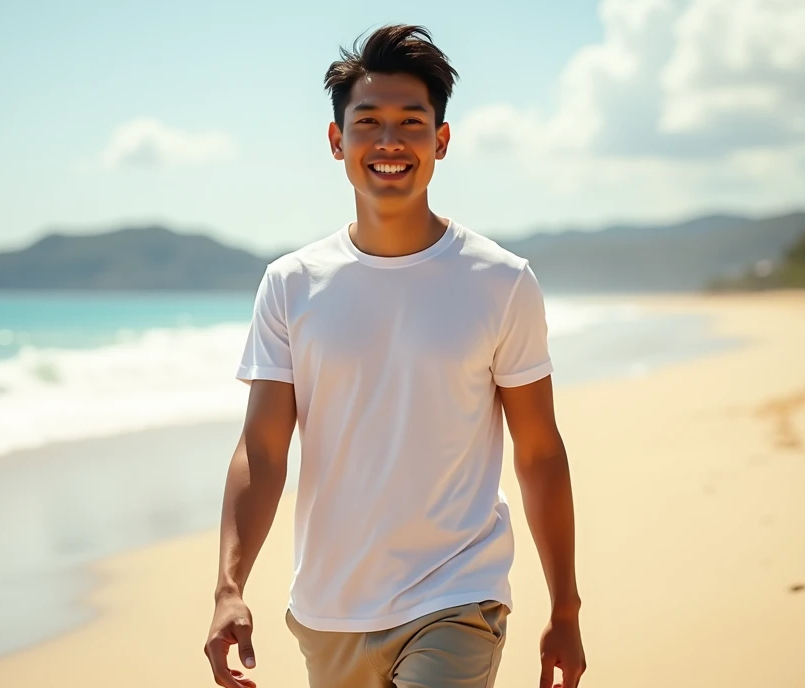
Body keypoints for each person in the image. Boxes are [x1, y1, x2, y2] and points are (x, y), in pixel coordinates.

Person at [204, 24, 585, 688]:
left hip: (457, 593)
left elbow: (539, 452)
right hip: (330, 610)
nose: (389, 141)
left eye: (411, 123)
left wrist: (566, 605)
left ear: (440, 141)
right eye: (368, 122)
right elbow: (263, 450)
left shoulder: (501, 281)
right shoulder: (292, 284)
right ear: (337, 141)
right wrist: (228, 585)